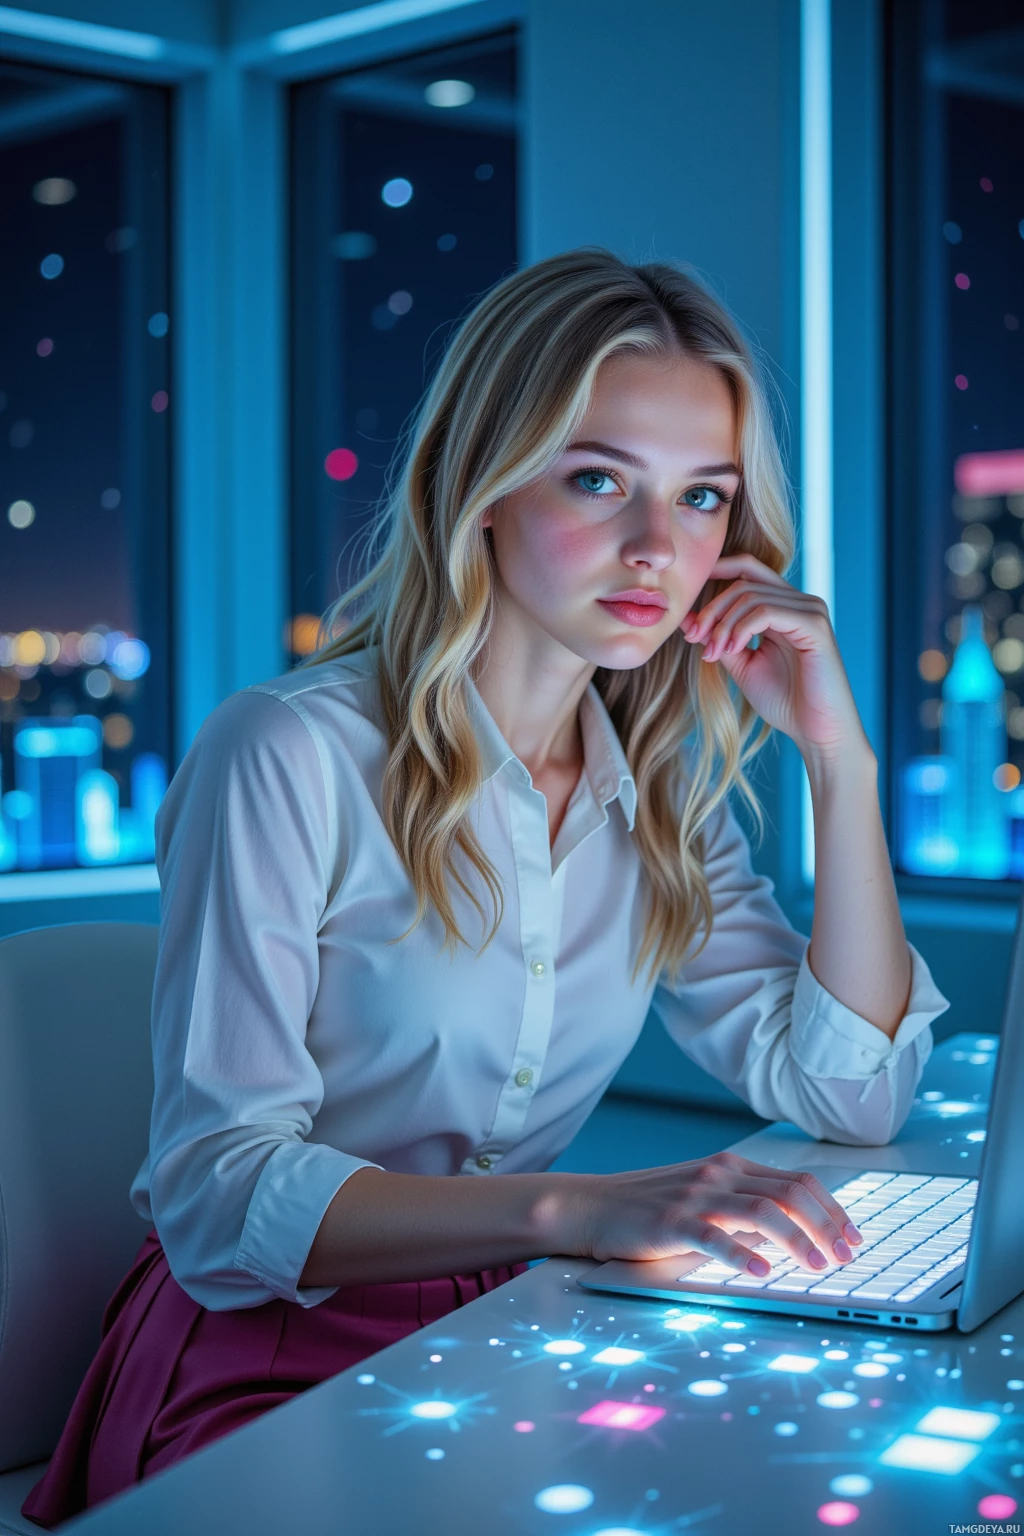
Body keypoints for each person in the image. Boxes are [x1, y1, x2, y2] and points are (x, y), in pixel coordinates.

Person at [24, 247, 947, 1526]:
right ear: (484, 484)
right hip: (261, 1354)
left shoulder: (660, 792)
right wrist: (579, 1206)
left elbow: (853, 1091)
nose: (653, 548)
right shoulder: (287, 751)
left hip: (515, 1319)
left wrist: (839, 763)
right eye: (596, 480)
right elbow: (215, 1195)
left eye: (700, 500)